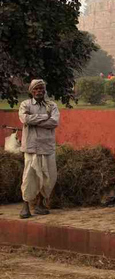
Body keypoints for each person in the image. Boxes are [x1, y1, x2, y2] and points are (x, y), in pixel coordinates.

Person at [18, 79, 60, 219]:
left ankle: (40, 205)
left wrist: (34, 120)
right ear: (31, 91)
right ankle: (25, 206)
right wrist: (44, 117)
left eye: (41, 89)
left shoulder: (51, 105)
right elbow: (25, 119)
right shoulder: (25, 104)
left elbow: (54, 122)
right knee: (29, 176)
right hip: (31, 146)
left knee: (49, 177)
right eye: (36, 89)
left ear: (44, 90)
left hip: (47, 146)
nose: (39, 91)